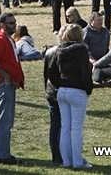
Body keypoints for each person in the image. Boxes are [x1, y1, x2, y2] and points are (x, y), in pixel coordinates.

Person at [50, 24, 93, 169]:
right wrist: (88, 88)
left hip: (62, 90)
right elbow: (85, 71)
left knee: (65, 127)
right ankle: (77, 162)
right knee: (76, 129)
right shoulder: (81, 49)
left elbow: (52, 72)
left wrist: (59, 85)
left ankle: (66, 161)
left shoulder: (59, 49)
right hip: (77, 90)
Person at [0, 12, 24, 164]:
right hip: (3, 84)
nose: (14, 25)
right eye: (10, 23)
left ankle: (3, 152)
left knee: (7, 120)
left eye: (14, 22)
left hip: (7, 83)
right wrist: (6, 76)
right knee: (5, 121)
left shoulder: (7, 39)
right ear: (2, 25)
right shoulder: (0, 39)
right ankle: (2, 155)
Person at [43, 28, 64, 166]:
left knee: (55, 125)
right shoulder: (68, 53)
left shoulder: (49, 52)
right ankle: (62, 155)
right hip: (62, 91)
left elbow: (46, 75)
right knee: (62, 125)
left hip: (51, 92)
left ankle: (56, 155)